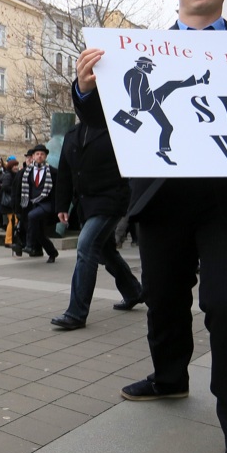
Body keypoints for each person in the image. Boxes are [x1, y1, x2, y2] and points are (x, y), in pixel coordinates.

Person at [75, 0, 227, 453]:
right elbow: (102, 118)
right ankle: (169, 377)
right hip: (162, 200)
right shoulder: (140, 51)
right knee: (163, 297)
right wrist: (86, 88)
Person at [49, 116, 143, 331]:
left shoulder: (117, 124)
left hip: (111, 201)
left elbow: (139, 138)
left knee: (86, 246)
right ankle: (134, 292)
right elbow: (65, 171)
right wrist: (62, 206)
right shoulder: (73, 134)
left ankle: (76, 313)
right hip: (85, 204)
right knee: (105, 251)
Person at [19, 144, 57, 262]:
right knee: (39, 233)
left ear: (45, 156)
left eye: (42, 154)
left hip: (47, 204)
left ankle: (29, 245)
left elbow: (59, 190)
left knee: (32, 216)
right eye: (37, 154)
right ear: (33, 156)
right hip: (31, 204)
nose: (39, 156)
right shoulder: (26, 172)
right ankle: (52, 252)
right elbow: (20, 189)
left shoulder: (52, 171)